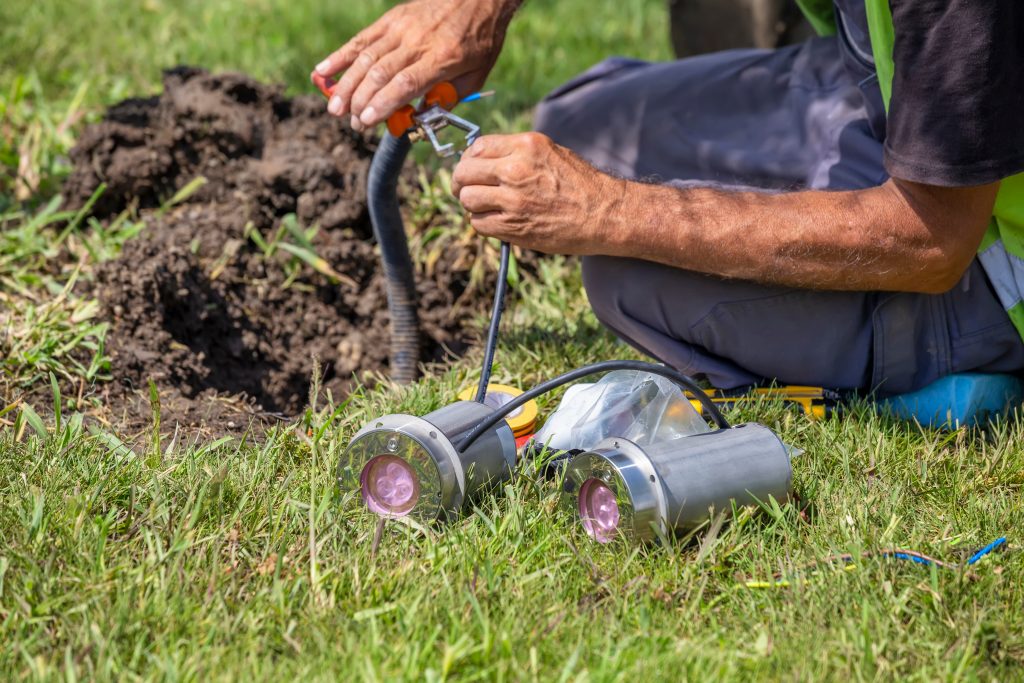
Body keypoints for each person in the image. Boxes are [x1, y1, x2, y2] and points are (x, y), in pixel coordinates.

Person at [313, 0, 1024, 396]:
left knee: (630, 275)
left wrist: (608, 210)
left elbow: (929, 241)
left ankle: (954, 376)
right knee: (576, 127)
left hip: (986, 261)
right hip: (884, 94)